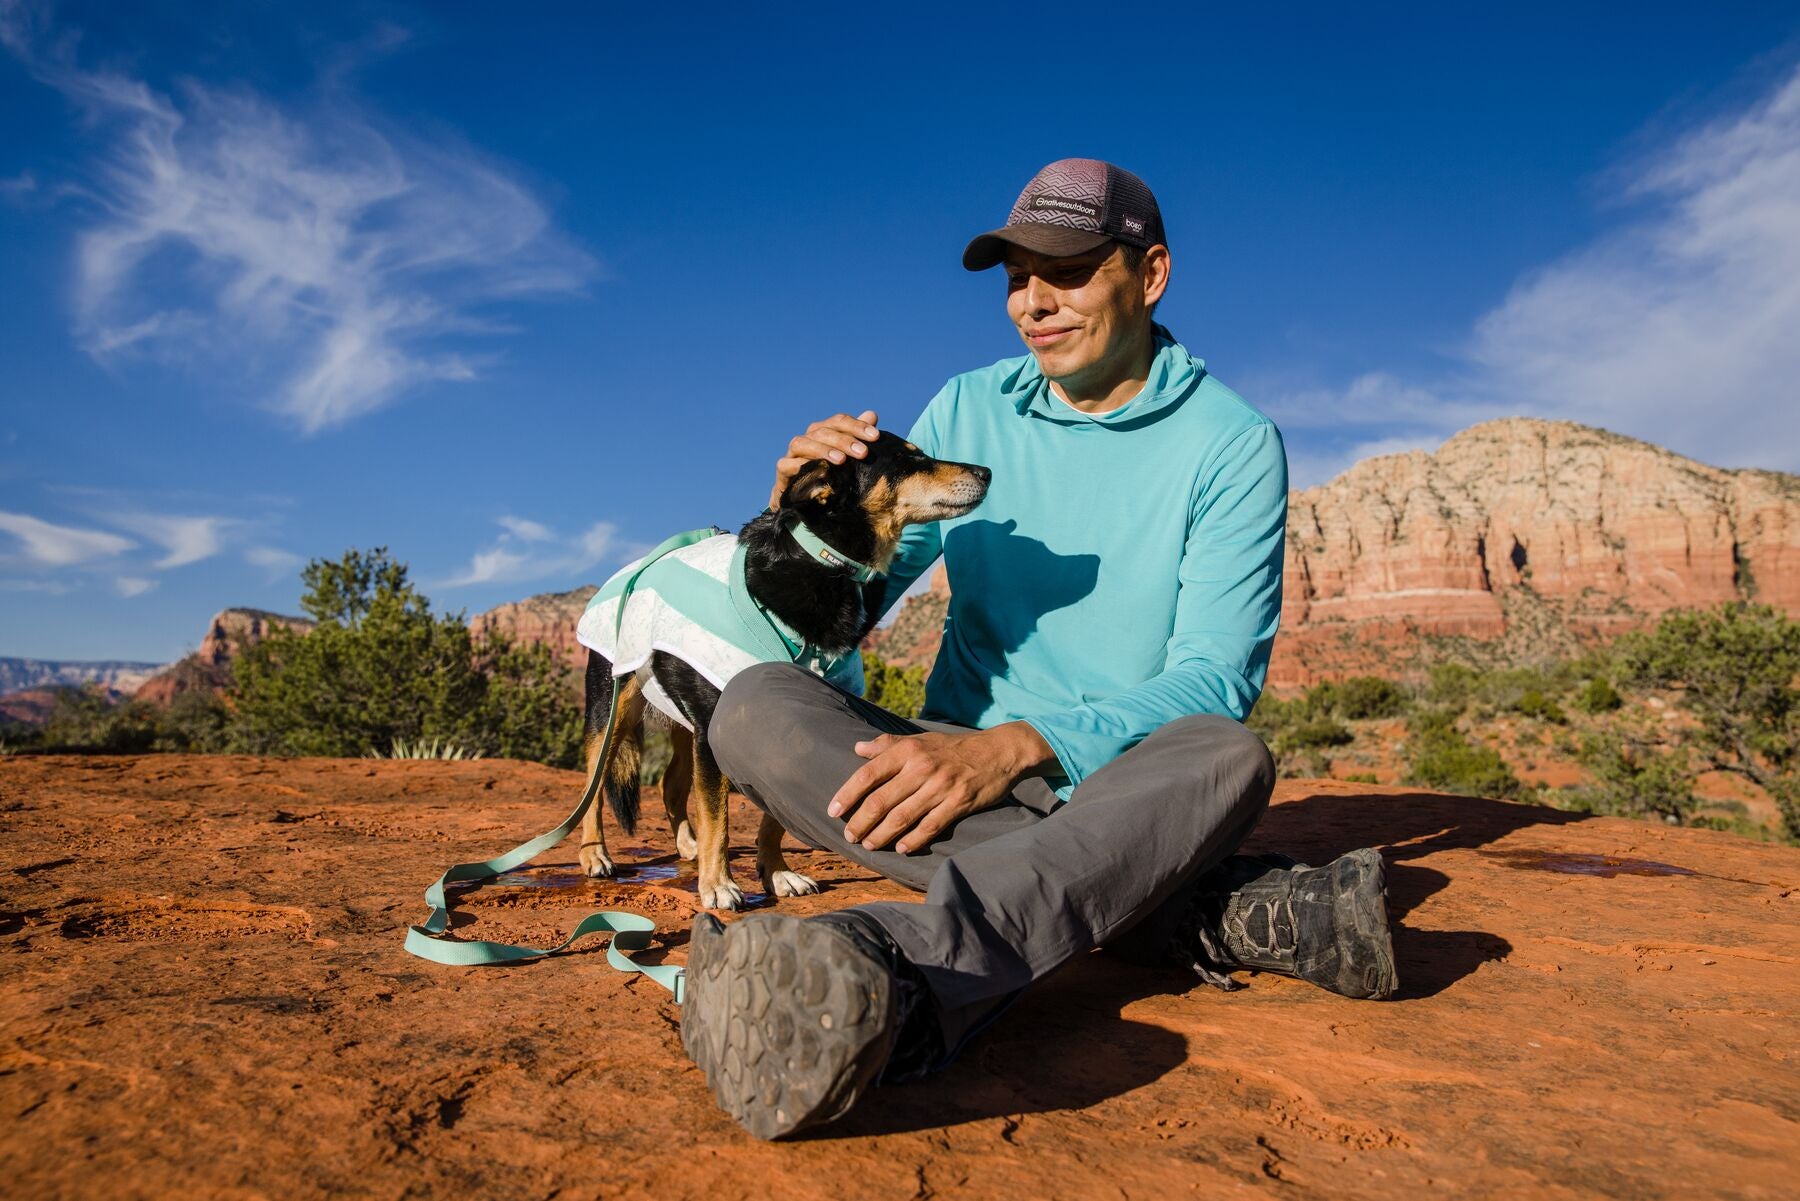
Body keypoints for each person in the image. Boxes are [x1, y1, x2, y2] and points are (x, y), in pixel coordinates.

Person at [678, 159, 1397, 1141]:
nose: (1032, 302)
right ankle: (1187, 907)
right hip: (939, 772)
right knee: (756, 703)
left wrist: (1020, 744)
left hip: (1124, 777)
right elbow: (854, 605)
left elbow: (1213, 677)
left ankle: (898, 973)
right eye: (1016, 275)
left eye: (1066, 270)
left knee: (1228, 753)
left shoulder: (1230, 443)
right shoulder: (969, 409)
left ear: (1150, 276)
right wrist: (804, 517)